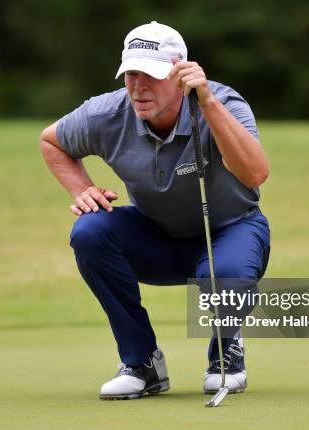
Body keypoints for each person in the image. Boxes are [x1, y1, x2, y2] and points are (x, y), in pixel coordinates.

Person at [40, 21, 270, 400]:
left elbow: (255, 172)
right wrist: (83, 190)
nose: (138, 86)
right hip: (156, 237)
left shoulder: (223, 103)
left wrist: (207, 103)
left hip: (228, 233)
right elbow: (51, 140)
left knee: (227, 271)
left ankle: (226, 353)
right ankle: (141, 364)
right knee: (90, 231)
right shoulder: (107, 113)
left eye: (151, 75)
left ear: (180, 73)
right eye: (131, 74)